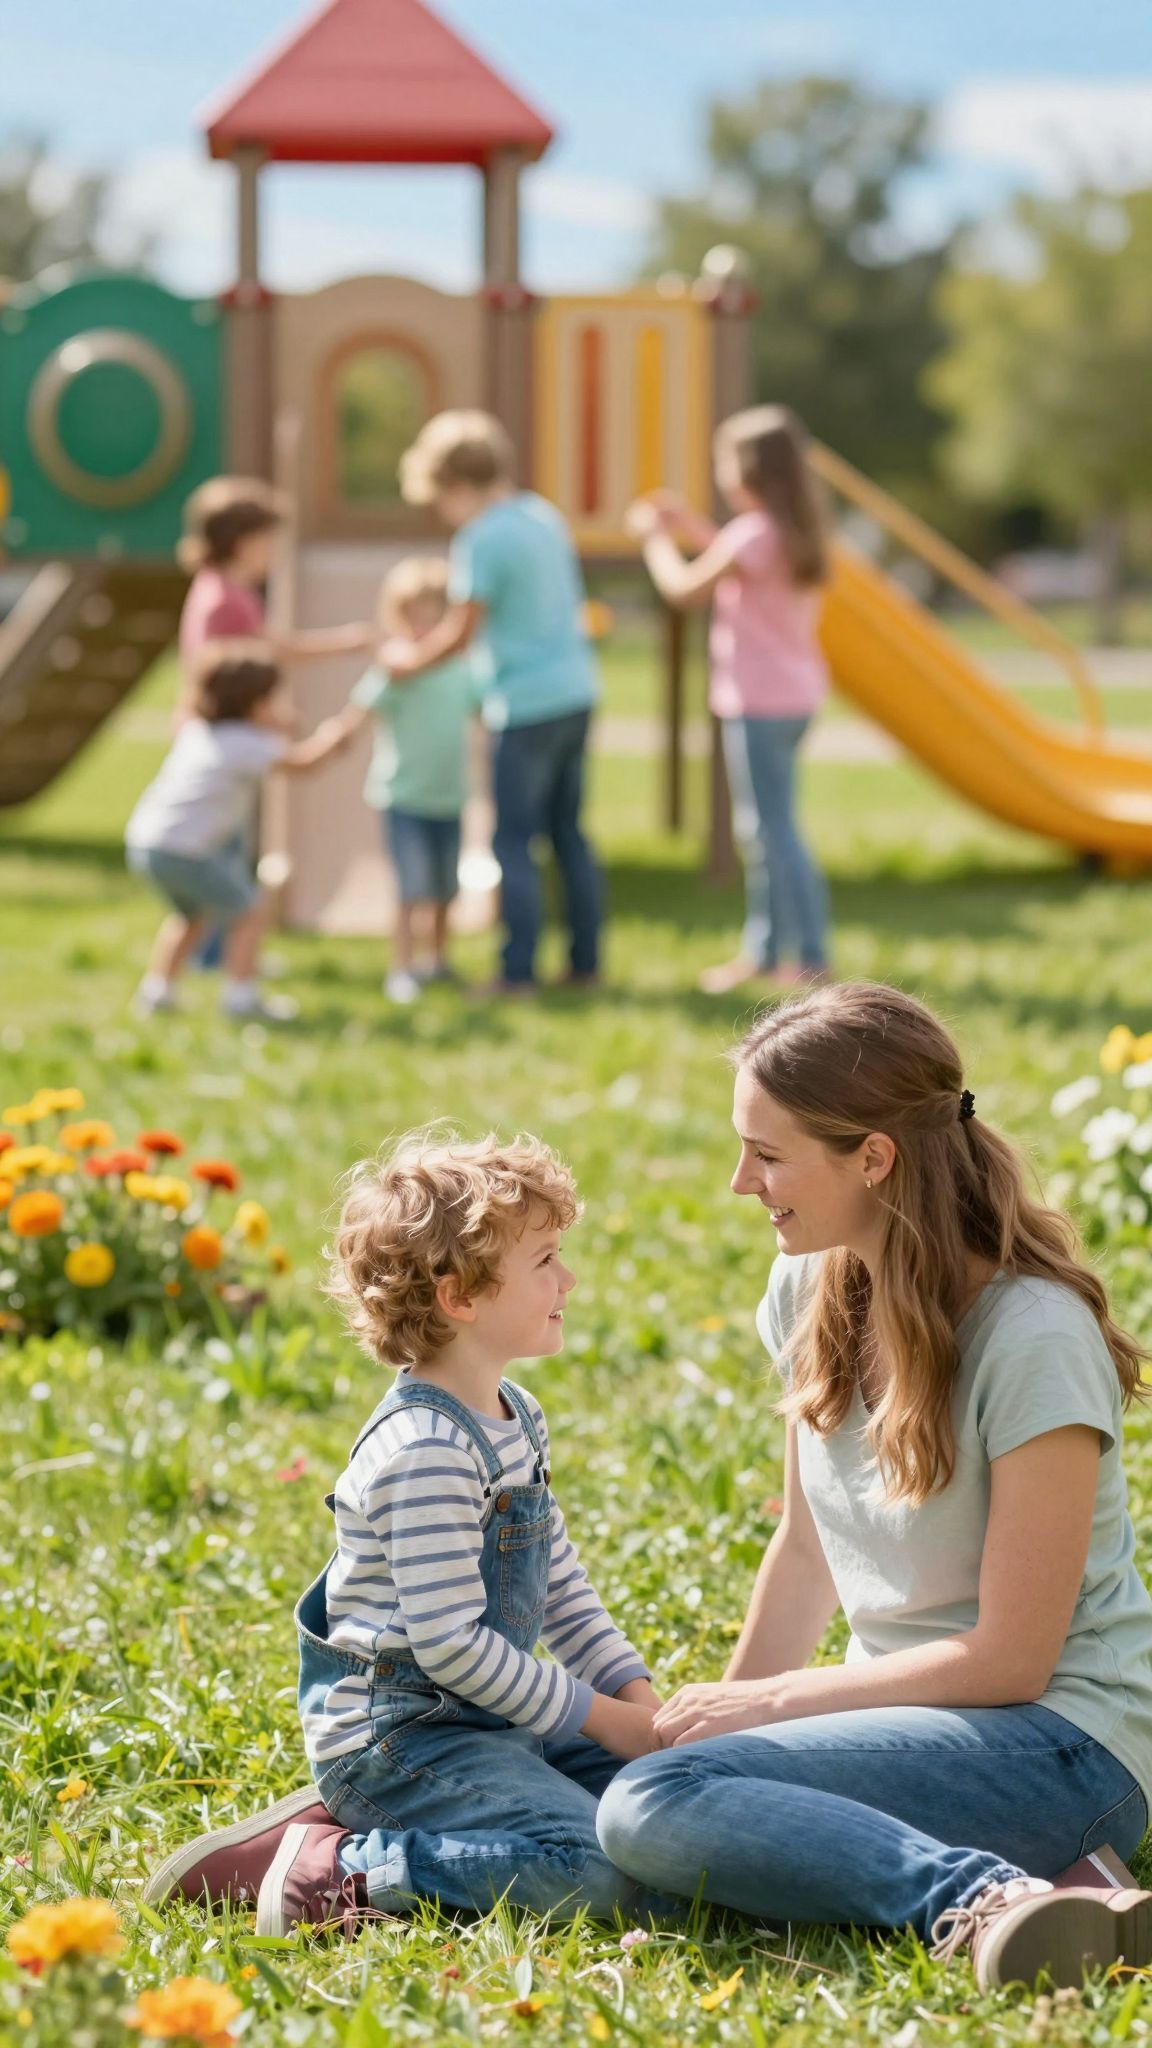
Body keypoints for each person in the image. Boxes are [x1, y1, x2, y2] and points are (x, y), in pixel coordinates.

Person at [595, 981, 1152, 1990]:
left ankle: (985, 1901)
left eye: (768, 1154)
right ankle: (382, 1828)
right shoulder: (804, 1286)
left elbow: (1012, 1659)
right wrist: (719, 1710)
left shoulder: (1034, 1337)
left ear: (874, 1156)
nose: (739, 1180)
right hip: (898, 1717)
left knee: (649, 1808)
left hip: (1064, 1744)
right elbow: (807, 1550)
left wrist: (767, 1705)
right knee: (625, 1772)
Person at [146, 1132, 667, 1933]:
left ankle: (358, 1825)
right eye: (544, 1262)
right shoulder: (424, 1452)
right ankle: (340, 1871)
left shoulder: (516, 1415)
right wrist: (599, 1718)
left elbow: (561, 1584)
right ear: (460, 1298)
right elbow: (452, 1647)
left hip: (494, 1723)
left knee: (661, 1809)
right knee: (596, 1872)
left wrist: (637, 1702)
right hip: (401, 1741)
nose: (568, 1279)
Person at [387, 411, 602, 994]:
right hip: (578, 691)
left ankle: (517, 972)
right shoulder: (540, 514)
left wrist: (407, 662)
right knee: (568, 834)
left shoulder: (480, 538)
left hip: (527, 704)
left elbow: (460, 631)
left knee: (513, 839)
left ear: (454, 486)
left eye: (440, 498)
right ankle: (586, 965)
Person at [628, 405, 831, 996]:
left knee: (774, 831)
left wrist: (655, 540)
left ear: (748, 471)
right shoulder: (788, 533)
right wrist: (691, 525)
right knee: (764, 830)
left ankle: (811, 957)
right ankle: (766, 952)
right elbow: (736, 557)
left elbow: (684, 590)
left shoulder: (753, 535)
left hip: (760, 703)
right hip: (794, 698)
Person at [125, 642, 353, 1021]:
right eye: (272, 701)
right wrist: (334, 735)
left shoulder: (204, 730)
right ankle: (241, 999)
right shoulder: (248, 743)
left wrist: (278, 725)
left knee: (190, 916)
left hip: (148, 844)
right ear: (250, 705)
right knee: (249, 913)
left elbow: (271, 741)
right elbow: (303, 763)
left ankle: (157, 993)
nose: (279, 708)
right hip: (185, 850)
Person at [336, 557, 479, 1005]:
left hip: (449, 796)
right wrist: (337, 737)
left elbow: (484, 710)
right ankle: (401, 968)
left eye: (433, 614)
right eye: (412, 616)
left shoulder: (458, 671)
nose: (422, 626)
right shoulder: (394, 671)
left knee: (443, 888)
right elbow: (359, 710)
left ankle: (435, 960)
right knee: (410, 888)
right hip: (405, 797)